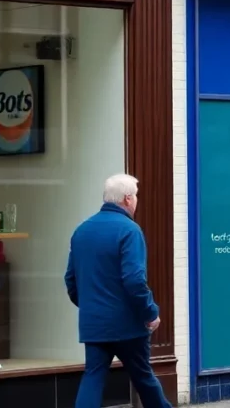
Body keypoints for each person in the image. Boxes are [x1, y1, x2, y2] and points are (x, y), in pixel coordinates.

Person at [65, 174, 169, 408]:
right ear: (127, 198)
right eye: (136, 196)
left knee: (92, 378)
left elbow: (71, 280)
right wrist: (150, 312)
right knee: (144, 377)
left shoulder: (82, 231)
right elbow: (134, 280)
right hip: (127, 325)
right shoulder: (130, 230)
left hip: (94, 324)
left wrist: (92, 306)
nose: (137, 201)